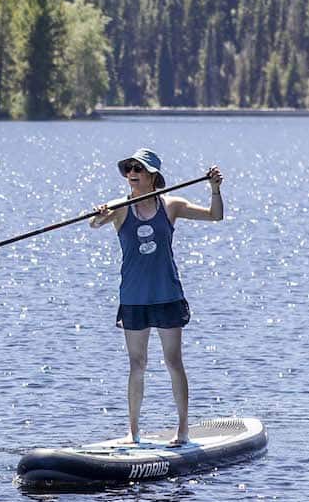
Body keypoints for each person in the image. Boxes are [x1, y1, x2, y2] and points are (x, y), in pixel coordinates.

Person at [88, 147, 224, 446]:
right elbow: (95, 224)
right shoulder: (120, 207)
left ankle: (183, 431)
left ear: (153, 177)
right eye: (129, 169)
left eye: (139, 169)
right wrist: (99, 216)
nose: (132, 174)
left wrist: (214, 189)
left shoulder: (172, 205)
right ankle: (133, 433)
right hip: (134, 298)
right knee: (137, 364)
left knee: (173, 362)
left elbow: (216, 216)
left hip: (167, 295)